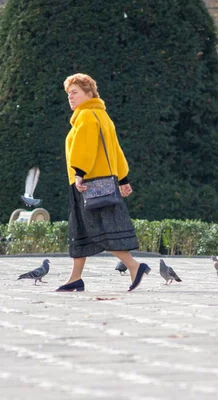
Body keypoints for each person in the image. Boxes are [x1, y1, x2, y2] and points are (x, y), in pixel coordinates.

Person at [56, 73, 149, 292]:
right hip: (103, 181)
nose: (70, 97)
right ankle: (75, 279)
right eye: (68, 93)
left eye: (75, 92)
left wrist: (79, 173)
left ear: (89, 93)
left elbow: (84, 147)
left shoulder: (86, 116)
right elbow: (115, 150)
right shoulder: (102, 116)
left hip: (87, 183)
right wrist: (123, 179)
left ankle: (134, 266)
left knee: (99, 231)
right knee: (82, 231)